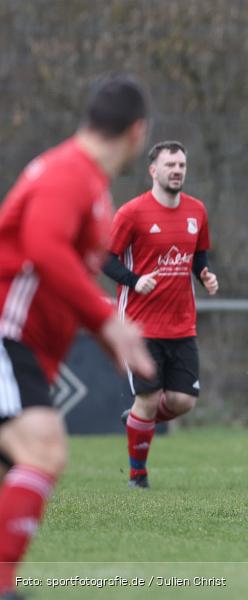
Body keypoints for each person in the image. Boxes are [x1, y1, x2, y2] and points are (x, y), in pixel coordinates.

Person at [0, 75, 155, 599]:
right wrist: (106, 318)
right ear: (138, 132)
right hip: (6, 333)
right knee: (42, 448)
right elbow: (43, 248)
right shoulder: (70, 175)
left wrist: (102, 326)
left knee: (19, 462)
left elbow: (61, 269)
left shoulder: (89, 184)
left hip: (25, 346)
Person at [102, 141, 218, 489]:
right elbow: (105, 259)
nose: (177, 170)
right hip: (141, 325)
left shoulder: (197, 211)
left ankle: (137, 418)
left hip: (182, 324)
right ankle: (138, 476)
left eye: (182, 164)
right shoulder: (132, 213)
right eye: (170, 165)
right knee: (150, 398)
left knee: (183, 401)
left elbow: (198, 256)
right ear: (154, 171)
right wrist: (135, 282)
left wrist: (205, 275)